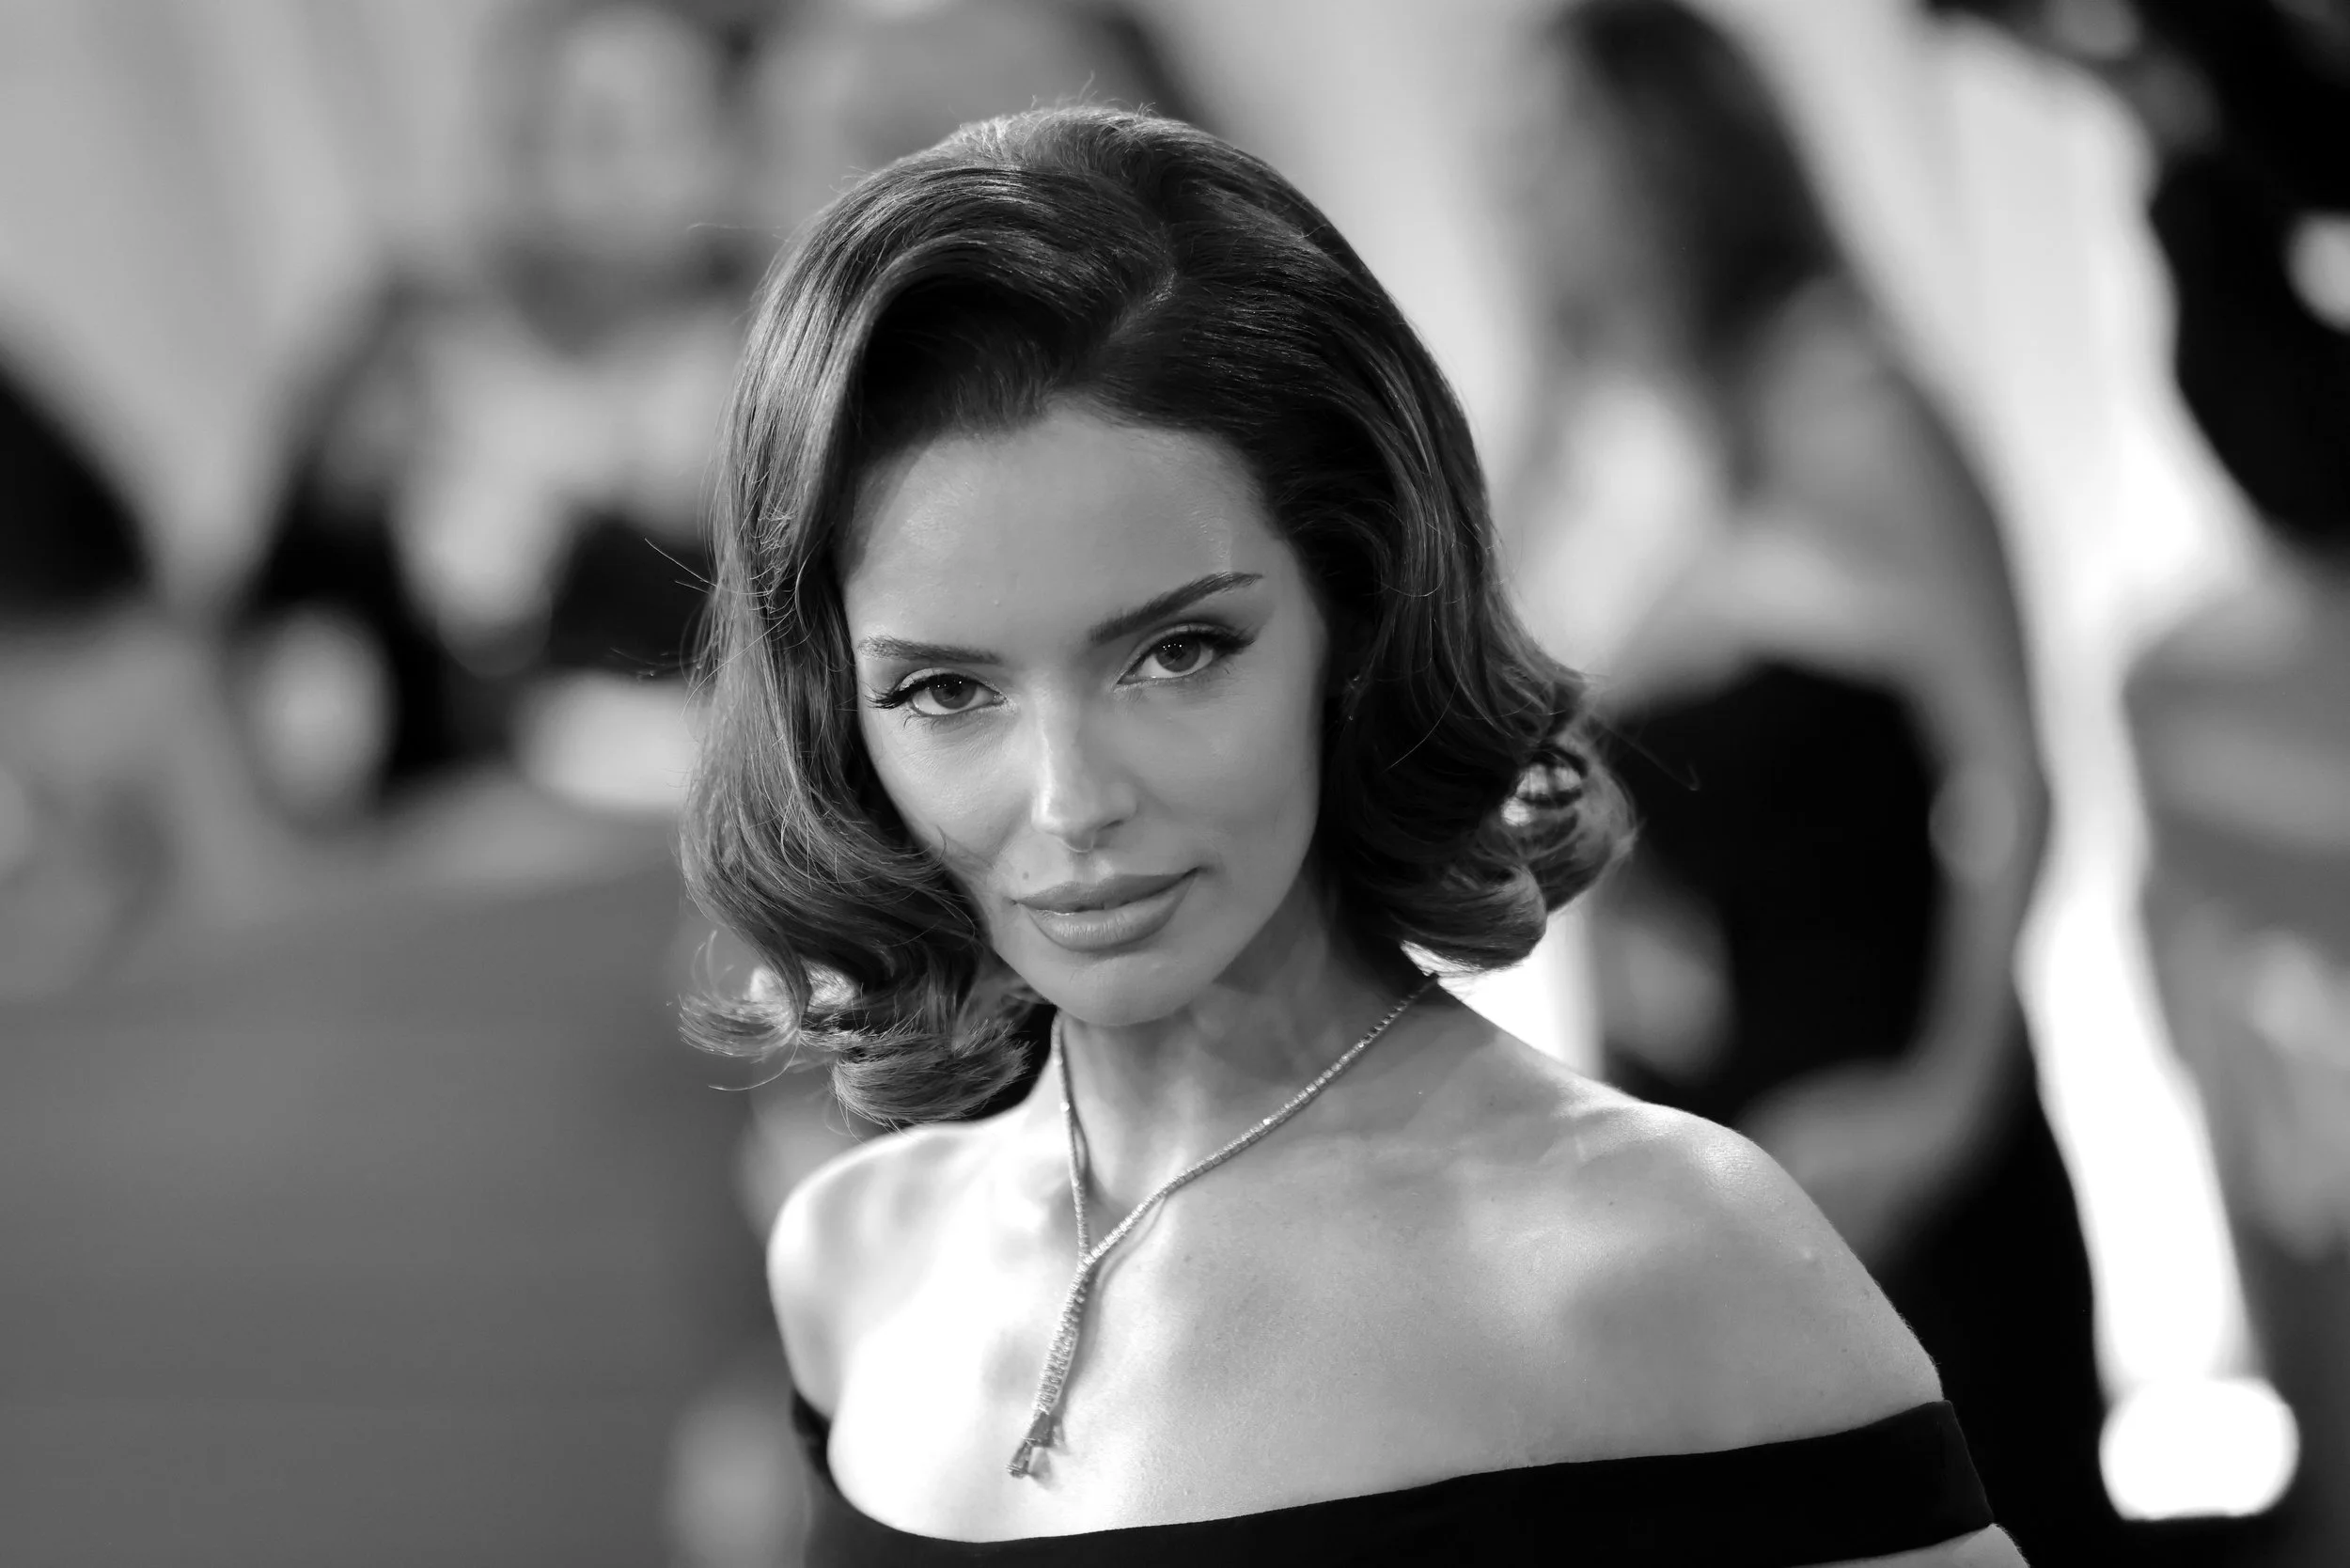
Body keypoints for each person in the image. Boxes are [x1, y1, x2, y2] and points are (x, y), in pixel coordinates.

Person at [679, 103, 2019, 1562]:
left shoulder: (1655, 1253)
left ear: (1361, 613)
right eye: (946, 691)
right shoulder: (852, 1258)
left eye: (1176, 652)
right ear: (838, 716)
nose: (1070, 803)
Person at [1504, 4, 2123, 1560]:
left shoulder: (1849, 405)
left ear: (1669, 158)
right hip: (1688, 1132)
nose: (1517, 181)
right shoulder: (1567, 443)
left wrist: (1944, 1100)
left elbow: (2011, 774)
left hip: (1885, 1114)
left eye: (1556, 140)